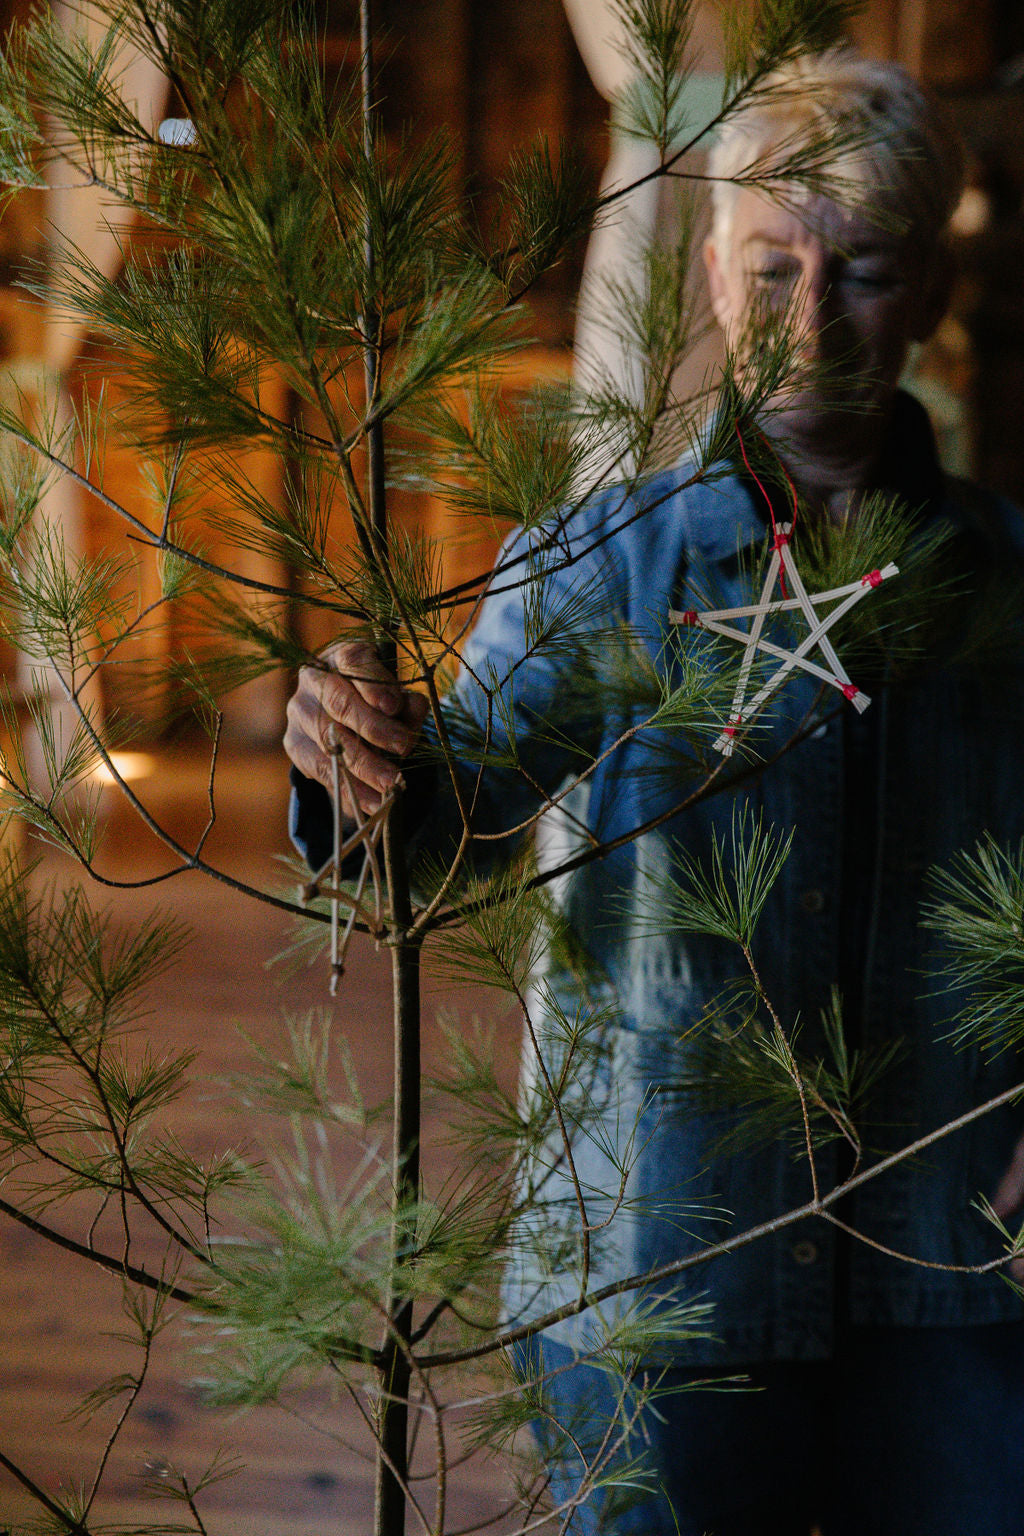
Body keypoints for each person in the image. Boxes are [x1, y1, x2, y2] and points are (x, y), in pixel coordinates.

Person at [285, 49, 1024, 1536]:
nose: (809, 323)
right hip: (654, 1265)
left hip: (957, 1265)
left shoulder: (1009, 585)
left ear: (936, 288)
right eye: (772, 270)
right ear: (707, 266)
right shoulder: (596, 564)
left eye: (865, 271)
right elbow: (449, 835)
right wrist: (355, 766)